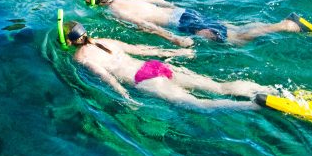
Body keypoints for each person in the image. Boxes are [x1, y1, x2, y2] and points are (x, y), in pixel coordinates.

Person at [64, 21, 278, 111]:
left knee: (198, 104)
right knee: (218, 86)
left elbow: (106, 77)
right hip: (153, 66)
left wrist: (125, 97)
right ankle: (265, 90)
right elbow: (141, 49)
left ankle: (253, 106)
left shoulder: (81, 58)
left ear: (70, 41)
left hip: (144, 80)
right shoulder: (105, 41)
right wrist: (175, 51)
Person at [85, 0, 304, 47]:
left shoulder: (116, 11)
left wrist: (173, 39)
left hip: (179, 23)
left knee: (235, 41)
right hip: (184, 12)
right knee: (234, 27)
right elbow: (160, 0)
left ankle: (284, 26)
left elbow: (145, 25)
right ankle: (279, 24)